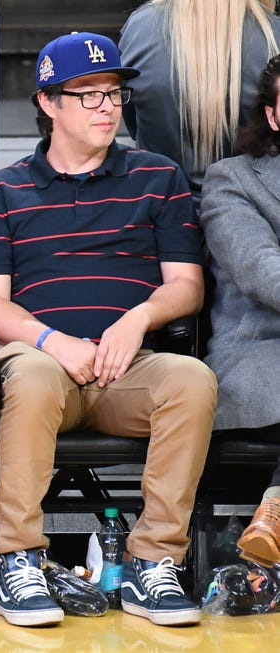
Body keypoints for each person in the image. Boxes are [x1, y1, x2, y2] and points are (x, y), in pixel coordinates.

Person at [0, 32, 216, 628]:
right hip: (40, 362)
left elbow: (187, 285)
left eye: (114, 93)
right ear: (47, 102)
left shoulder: (158, 177)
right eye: (88, 94)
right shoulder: (0, 191)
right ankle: (18, 559)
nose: (108, 107)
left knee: (192, 380)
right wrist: (52, 342)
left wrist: (137, 320)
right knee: (31, 374)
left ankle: (152, 562)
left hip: (126, 368)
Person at [200, 53, 280, 570]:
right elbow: (260, 270)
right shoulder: (232, 180)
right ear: (273, 116)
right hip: (261, 360)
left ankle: (276, 510)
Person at [119, 0, 280, 204]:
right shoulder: (272, 35)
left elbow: (131, 121)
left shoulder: (140, 28)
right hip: (253, 206)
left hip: (156, 203)